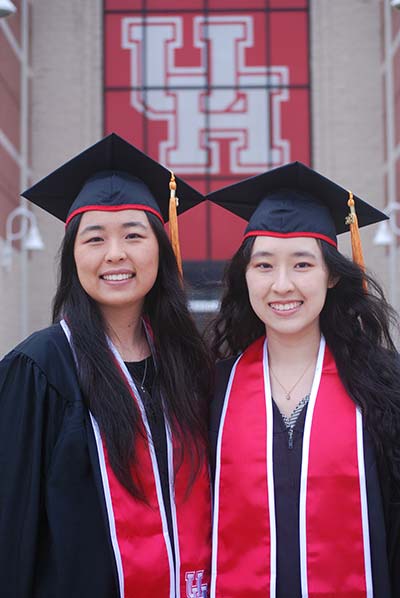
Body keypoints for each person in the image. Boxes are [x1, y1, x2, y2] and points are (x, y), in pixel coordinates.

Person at [0, 133, 212, 598]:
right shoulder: (37, 370)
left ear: (161, 247)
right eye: (95, 238)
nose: (115, 254)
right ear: (73, 256)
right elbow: (11, 529)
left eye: (133, 236)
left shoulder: (190, 367)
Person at [207, 162, 400, 597]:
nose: (281, 285)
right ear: (245, 276)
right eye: (263, 266)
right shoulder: (211, 391)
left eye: (301, 264)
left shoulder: (385, 387)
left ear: (331, 274)